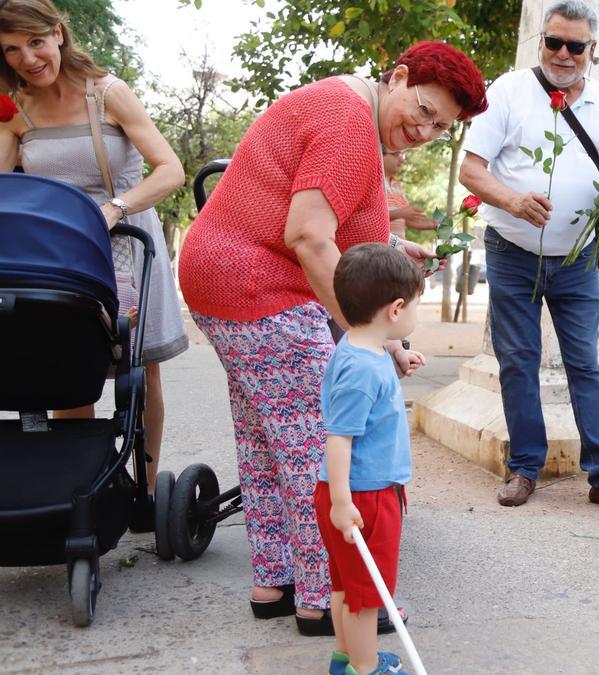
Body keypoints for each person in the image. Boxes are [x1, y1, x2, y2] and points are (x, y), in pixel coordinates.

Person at [177, 41, 488, 635]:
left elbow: (343, 228)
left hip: (225, 277)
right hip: (259, 283)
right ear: (397, 76)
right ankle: (326, 599)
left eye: (442, 127)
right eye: (423, 111)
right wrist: (366, 334)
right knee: (320, 448)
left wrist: (395, 252)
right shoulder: (348, 119)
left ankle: (275, 582)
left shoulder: (351, 113)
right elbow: (312, 239)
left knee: (270, 442)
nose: (424, 131)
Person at [0, 0, 188, 507]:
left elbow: (169, 169)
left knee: (141, 369)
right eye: (12, 50)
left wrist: (114, 208)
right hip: (58, 252)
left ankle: (146, 494)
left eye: (36, 42)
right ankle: (76, 488)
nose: (28, 58)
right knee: (67, 363)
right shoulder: (14, 108)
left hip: (123, 236)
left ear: (58, 34)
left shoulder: (108, 94)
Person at [459, 0, 599, 510]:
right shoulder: (508, 92)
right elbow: (471, 171)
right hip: (512, 250)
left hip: (577, 258)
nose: (563, 54)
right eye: (553, 42)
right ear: (541, 41)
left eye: (575, 45)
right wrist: (513, 200)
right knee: (518, 361)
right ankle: (524, 468)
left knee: (585, 364)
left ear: (592, 49)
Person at [315, 243, 421, 675]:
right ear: (395, 310)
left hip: (352, 494)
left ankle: (346, 659)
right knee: (365, 597)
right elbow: (339, 438)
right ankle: (366, 667)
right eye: (415, 305)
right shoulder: (363, 370)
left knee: (345, 586)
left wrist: (399, 356)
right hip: (364, 498)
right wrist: (343, 502)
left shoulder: (360, 349)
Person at [383, 149, 436, 239]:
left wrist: (431, 224)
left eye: (402, 155)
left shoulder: (397, 184)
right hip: (376, 249)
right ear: (380, 153)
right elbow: (368, 217)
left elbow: (404, 219)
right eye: (396, 154)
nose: (402, 160)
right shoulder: (372, 180)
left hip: (394, 249)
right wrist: (400, 213)